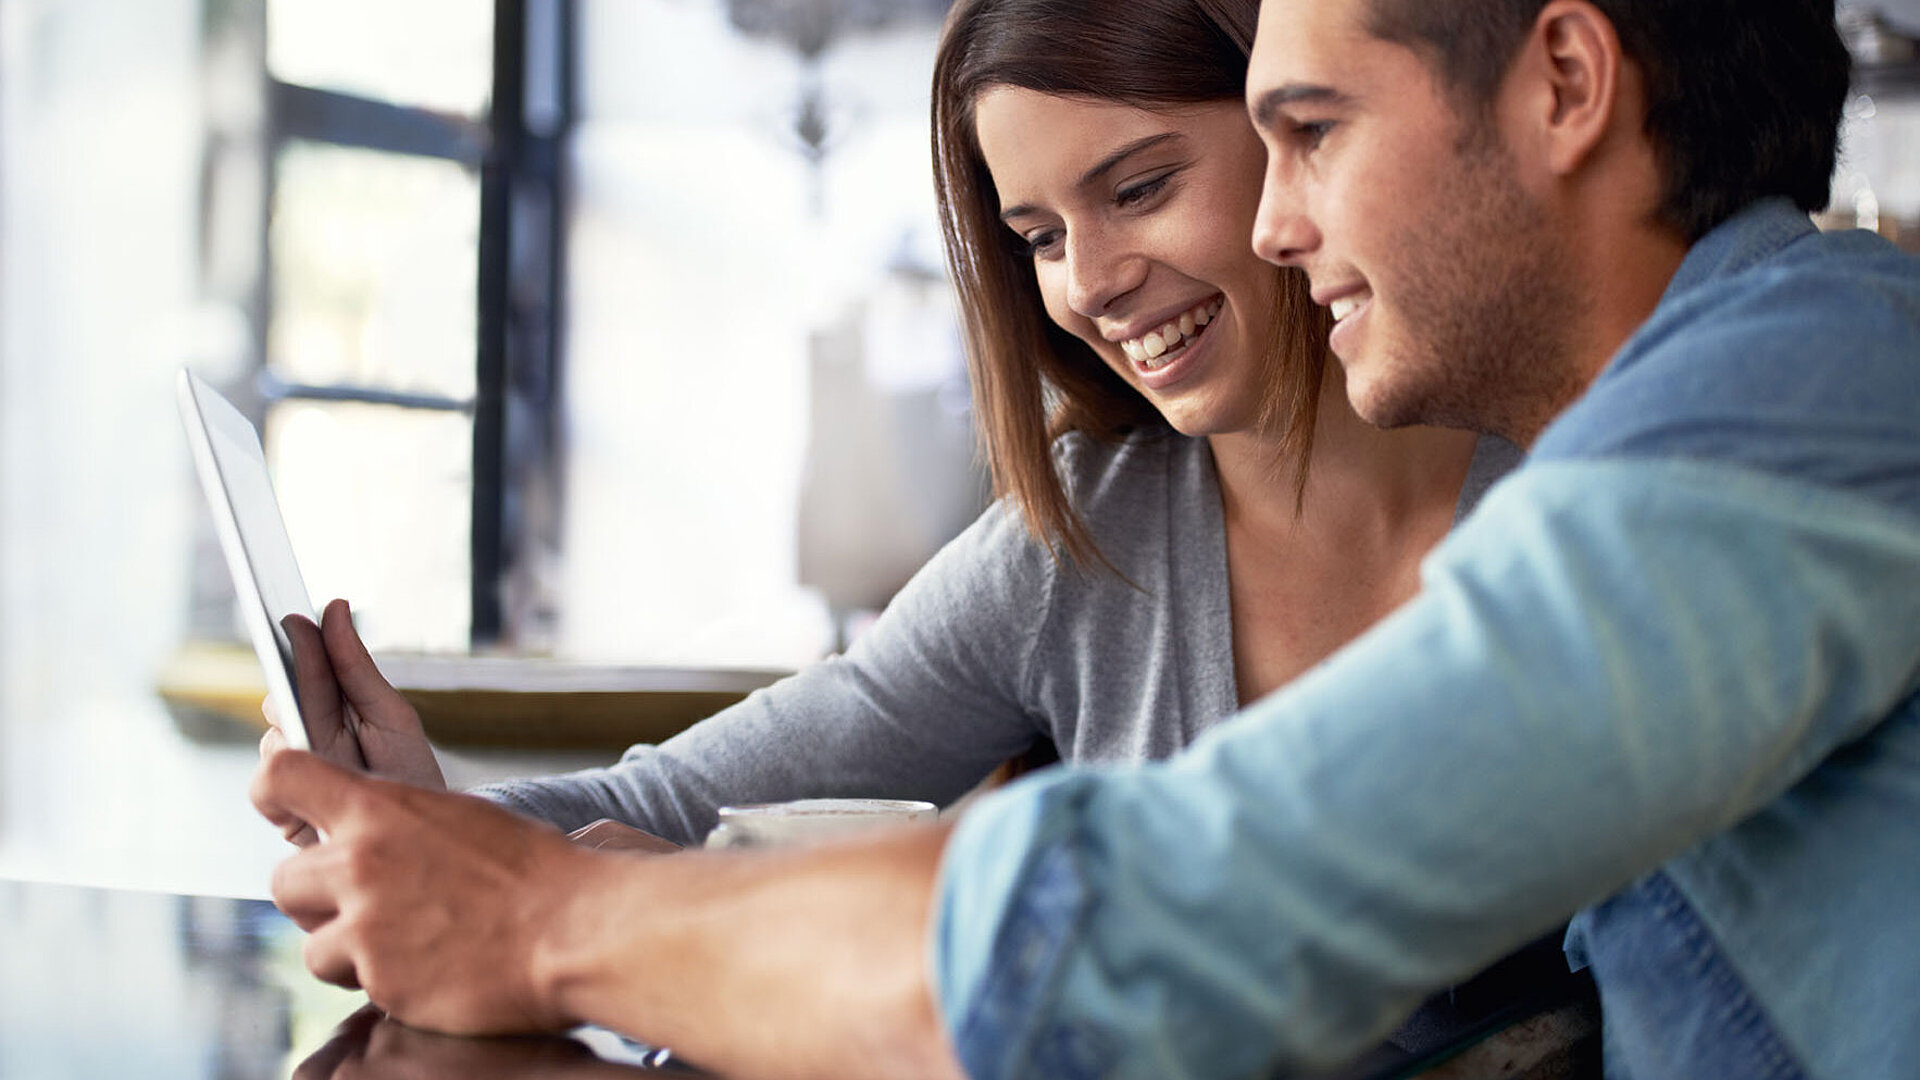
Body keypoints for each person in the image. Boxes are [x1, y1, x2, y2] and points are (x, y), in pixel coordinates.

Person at [254, 1, 1920, 1078]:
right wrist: (454, 846)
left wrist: (559, 928)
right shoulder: (1743, 404)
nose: (1276, 222)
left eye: (1314, 131)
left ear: (1567, 81)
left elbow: (1182, 916)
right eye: (1042, 231)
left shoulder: (1815, 388)